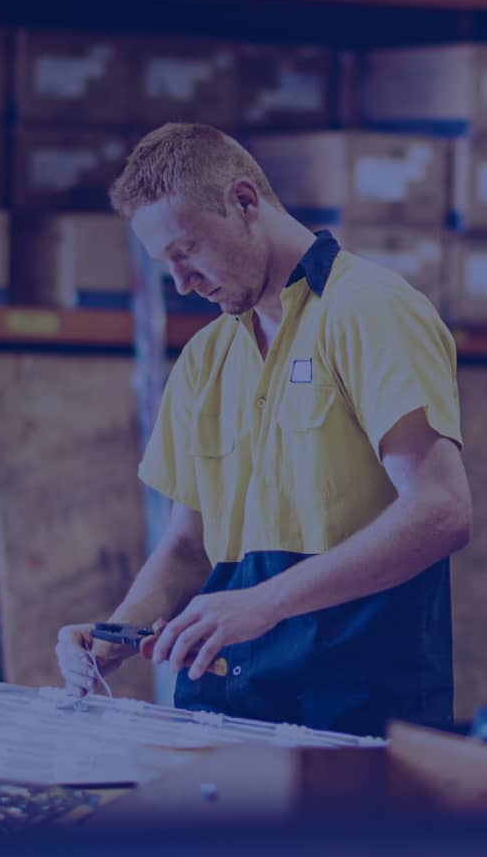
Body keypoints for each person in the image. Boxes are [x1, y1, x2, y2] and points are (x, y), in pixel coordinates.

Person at [55, 122, 472, 737]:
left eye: (187, 250)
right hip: (221, 714)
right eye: (166, 264)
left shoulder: (371, 312)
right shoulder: (205, 358)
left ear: (245, 202)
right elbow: (187, 548)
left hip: (350, 717)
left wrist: (266, 601)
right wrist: (116, 633)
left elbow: (442, 510)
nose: (182, 283)